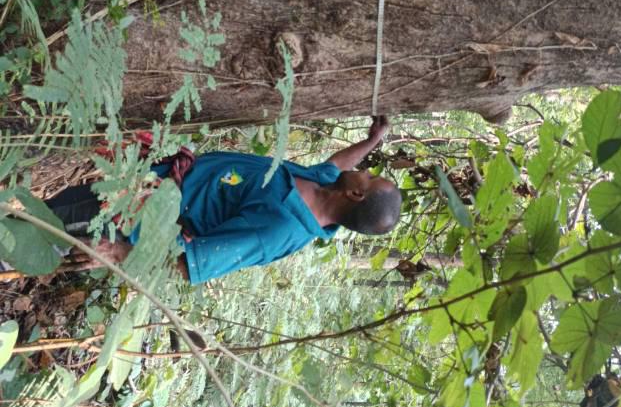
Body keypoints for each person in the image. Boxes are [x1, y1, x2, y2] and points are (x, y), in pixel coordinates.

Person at [38, 116, 400, 284]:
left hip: (134, 218)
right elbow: (338, 163)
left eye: (369, 177)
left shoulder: (278, 230)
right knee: (58, 208)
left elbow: (191, 265)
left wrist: (118, 253)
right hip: (153, 184)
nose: (365, 170)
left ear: (356, 194)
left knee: (44, 225)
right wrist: (372, 141)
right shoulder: (324, 185)